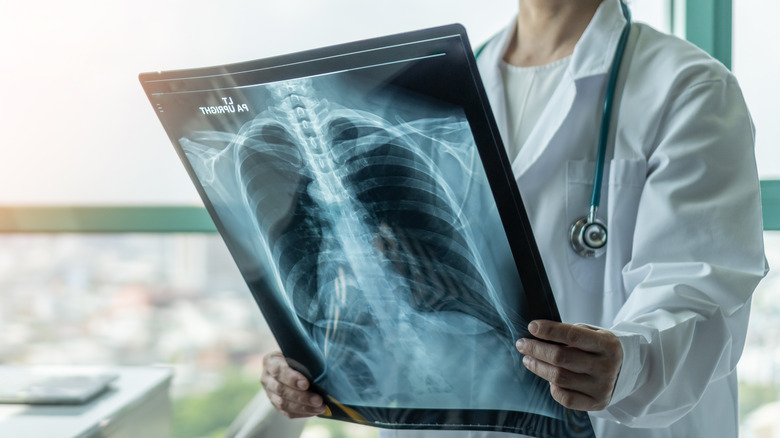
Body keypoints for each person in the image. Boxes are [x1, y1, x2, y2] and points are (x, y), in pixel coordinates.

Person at [260, 0, 768, 436]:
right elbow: (399, 288)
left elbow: (702, 293)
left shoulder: (687, 87)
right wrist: (313, 358)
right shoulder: (436, 92)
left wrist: (629, 362)